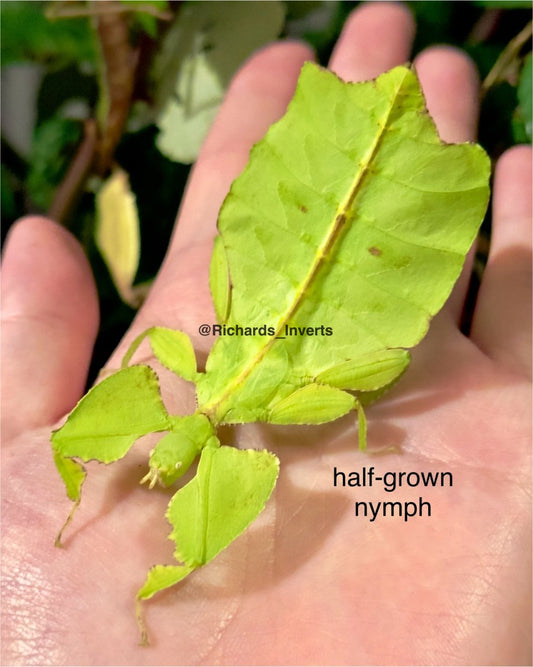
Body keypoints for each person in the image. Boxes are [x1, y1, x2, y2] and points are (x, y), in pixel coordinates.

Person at [1, 3, 531, 664]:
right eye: (174, 462)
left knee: (360, 369)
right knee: (361, 367)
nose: (165, 464)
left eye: (161, 454)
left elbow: (345, 396)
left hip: (326, 230)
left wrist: (375, 450)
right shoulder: (219, 380)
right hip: (318, 257)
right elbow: (341, 392)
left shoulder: (226, 385)